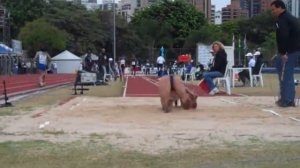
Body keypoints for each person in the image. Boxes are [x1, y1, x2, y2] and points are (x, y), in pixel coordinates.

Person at [271, 0, 300, 107]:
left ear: (280, 8)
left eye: (273, 9)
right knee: (284, 71)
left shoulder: (282, 19)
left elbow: (283, 36)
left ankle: (287, 100)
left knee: (286, 74)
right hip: (293, 48)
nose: (272, 12)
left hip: (290, 50)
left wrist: (283, 53)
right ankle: (286, 98)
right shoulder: (290, 17)